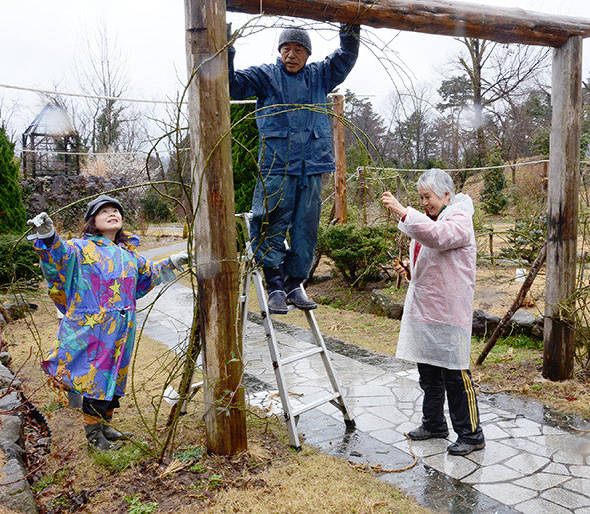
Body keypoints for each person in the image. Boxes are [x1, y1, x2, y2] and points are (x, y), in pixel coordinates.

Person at [26, 195, 189, 451]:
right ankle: (94, 436)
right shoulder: (80, 249)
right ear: (93, 221)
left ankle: (105, 426)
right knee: (96, 378)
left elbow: (149, 273)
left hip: (123, 329)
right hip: (94, 329)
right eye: (104, 211)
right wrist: (48, 235)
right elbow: (58, 255)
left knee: (115, 376)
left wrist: (174, 261)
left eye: (116, 210)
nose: (112, 214)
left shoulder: (128, 254)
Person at [228, 23, 361, 314]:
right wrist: (227, 49)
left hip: (312, 165)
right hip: (277, 165)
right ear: (279, 51)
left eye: (298, 49)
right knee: (269, 221)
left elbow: (346, 57)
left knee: (305, 228)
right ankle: (275, 285)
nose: (291, 55)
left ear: (308, 54)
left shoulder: (320, 75)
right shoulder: (266, 76)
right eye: (286, 49)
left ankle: (294, 284)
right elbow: (232, 85)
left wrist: (351, 27)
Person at [381, 169, 485, 456]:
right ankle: (434, 424)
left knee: (456, 376)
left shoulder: (459, 218)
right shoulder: (434, 219)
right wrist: (410, 270)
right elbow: (433, 261)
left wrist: (404, 212)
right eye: (421, 198)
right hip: (427, 311)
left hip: (450, 313)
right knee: (428, 373)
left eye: (428, 197)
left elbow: (438, 238)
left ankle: (471, 434)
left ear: (446, 195)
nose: (424, 203)